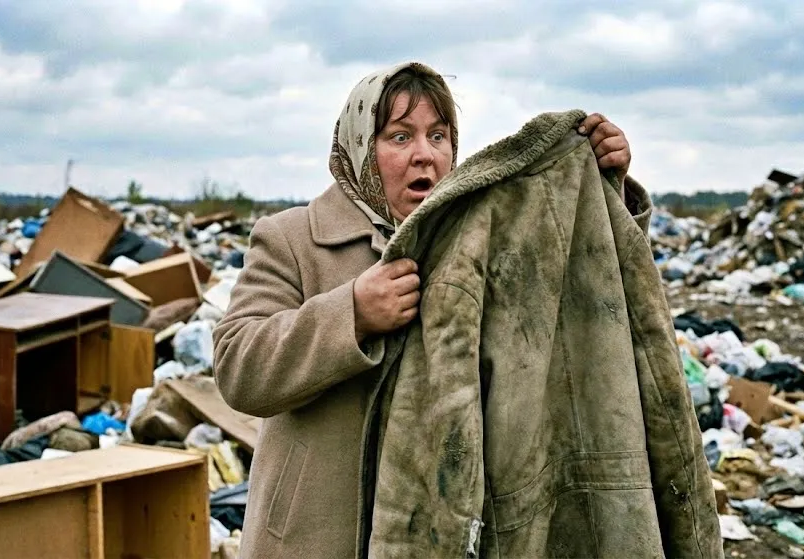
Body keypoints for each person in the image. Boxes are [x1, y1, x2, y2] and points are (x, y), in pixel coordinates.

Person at [212, 61, 646, 558]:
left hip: (438, 535)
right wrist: (352, 313)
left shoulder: (477, 243)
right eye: (400, 137)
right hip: (313, 537)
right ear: (360, 148)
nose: (425, 155)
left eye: (438, 136)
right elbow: (238, 368)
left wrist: (605, 190)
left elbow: (577, 311)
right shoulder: (292, 239)